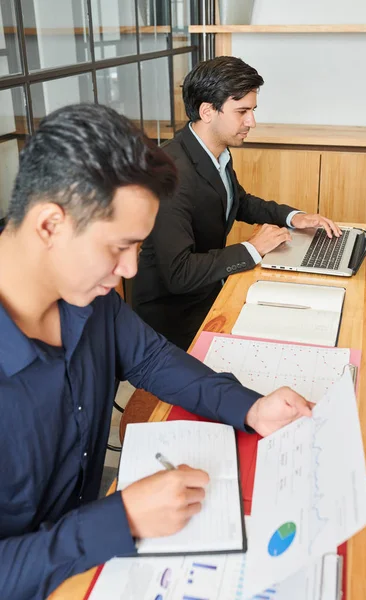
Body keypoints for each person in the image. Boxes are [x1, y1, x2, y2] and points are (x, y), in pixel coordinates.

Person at [0, 103, 313, 600]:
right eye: (117, 247)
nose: (128, 271)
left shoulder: (90, 297)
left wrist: (250, 406)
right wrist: (118, 518)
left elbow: (152, 359)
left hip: (93, 563)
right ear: (48, 225)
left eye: (138, 249)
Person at [132, 56, 341, 350]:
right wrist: (253, 249)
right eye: (242, 111)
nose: (251, 121)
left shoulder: (214, 152)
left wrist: (294, 217)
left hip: (207, 289)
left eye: (252, 110)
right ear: (207, 111)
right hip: (173, 317)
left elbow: (237, 201)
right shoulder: (171, 174)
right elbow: (179, 274)